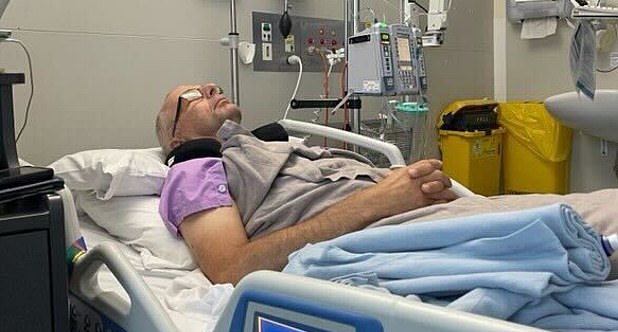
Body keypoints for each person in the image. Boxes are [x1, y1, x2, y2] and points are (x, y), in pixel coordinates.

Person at [155, 82, 457, 285]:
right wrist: (378, 201)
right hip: (399, 241)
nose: (212, 87)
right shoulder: (194, 170)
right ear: (176, 138)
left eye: (213, 88)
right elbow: (230, 269)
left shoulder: (267, 149)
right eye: (192, 96)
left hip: (436, 220)